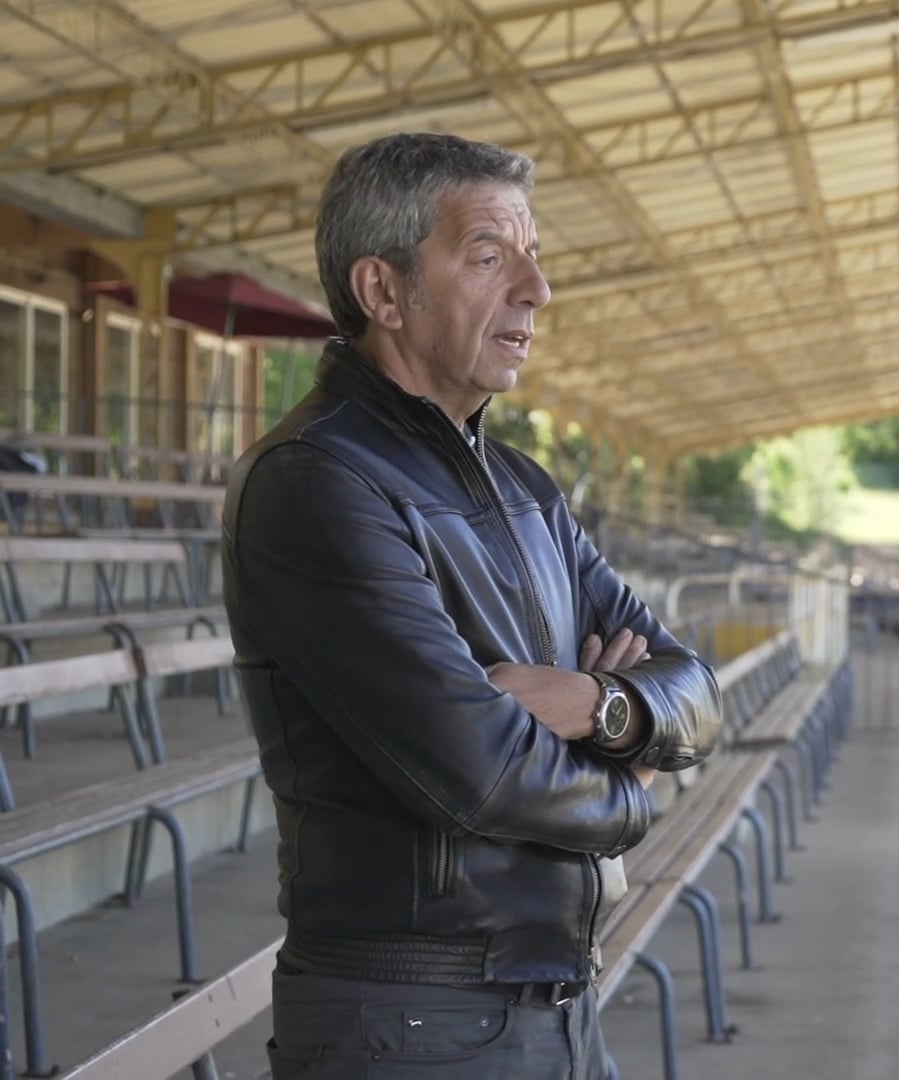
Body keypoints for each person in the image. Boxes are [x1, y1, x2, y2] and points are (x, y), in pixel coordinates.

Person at [222, 132, 722, 1078]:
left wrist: (599, 707)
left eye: (532, 259)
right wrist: (636, 785)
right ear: (384, 293)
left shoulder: (527, 490)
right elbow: (482, 775)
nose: (536, 290)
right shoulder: (317, 483)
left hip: (552, 1003)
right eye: (490, 257)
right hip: (413, 1020)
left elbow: (695, 689)